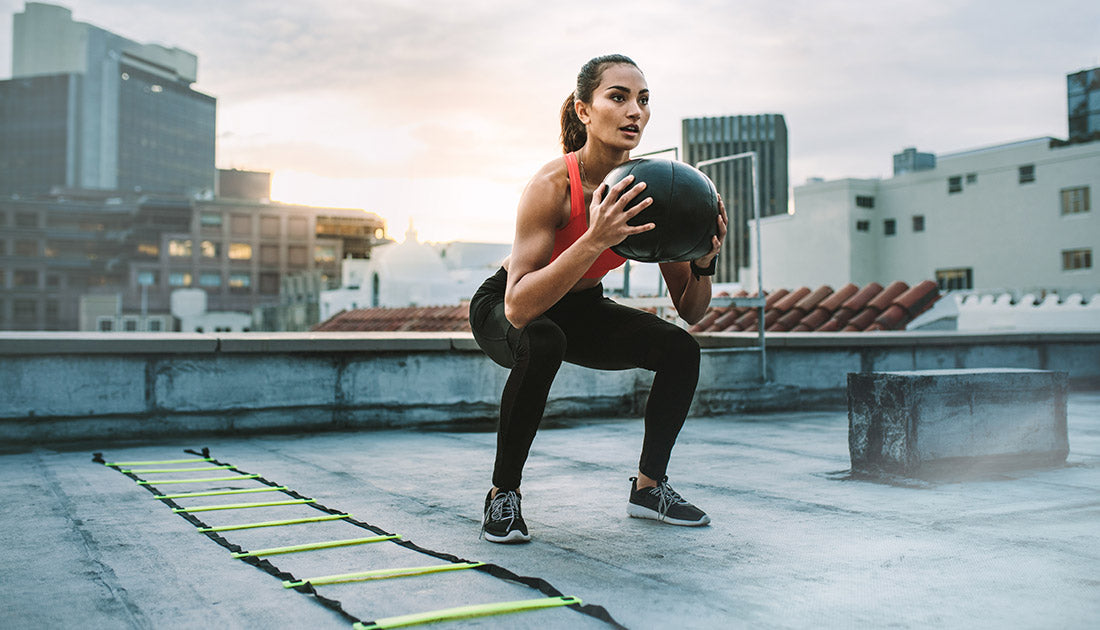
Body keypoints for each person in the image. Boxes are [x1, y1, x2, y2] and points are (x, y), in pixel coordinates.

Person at [468, 54, 728, 543]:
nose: (635, 111)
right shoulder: (552, 186)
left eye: (644, 100)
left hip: (582, 306)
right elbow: (519, 307)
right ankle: (503, 493)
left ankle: (649, 488)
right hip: (507, 303)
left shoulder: (651, 190)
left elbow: (691, 311)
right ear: (584, 111)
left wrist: (703, 261)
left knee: (680, 350)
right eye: (619, 97)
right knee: (542, 340)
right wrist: (594, 237)